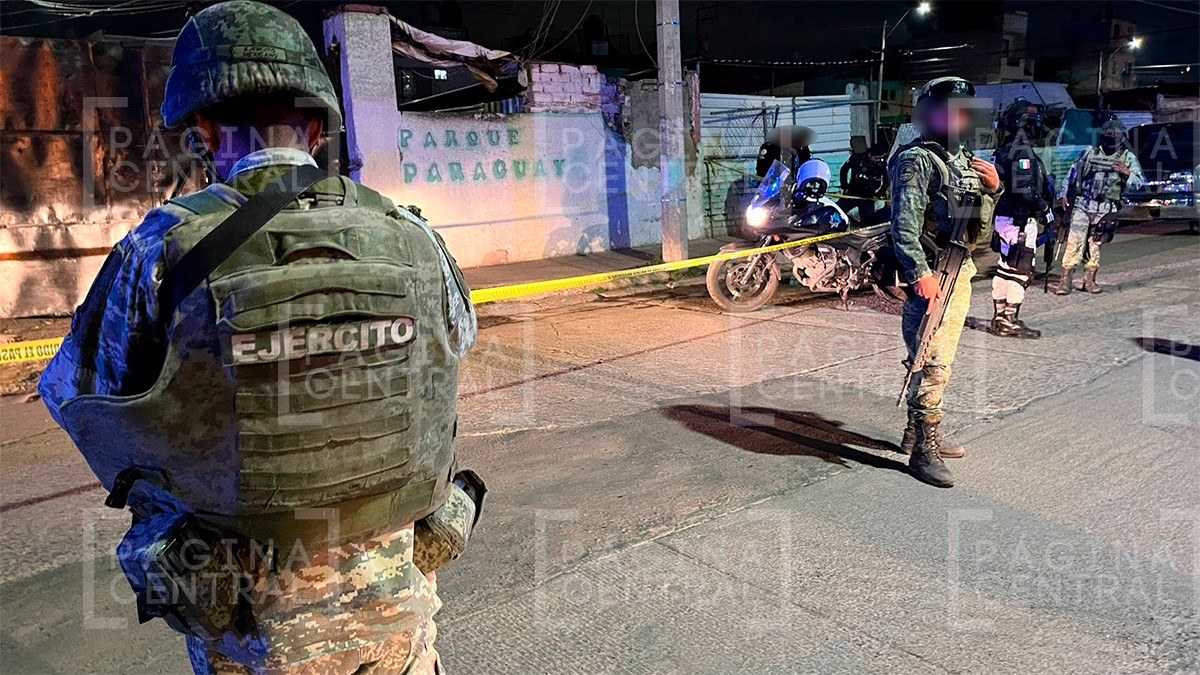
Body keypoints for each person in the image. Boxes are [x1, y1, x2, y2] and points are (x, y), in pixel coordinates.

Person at [37, 2, 478, 673]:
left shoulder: (161, 249)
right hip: (399, 622)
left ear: (205, 129)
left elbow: (73, 396)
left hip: (256, 635)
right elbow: (452, 352)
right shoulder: (415, 234)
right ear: (314, 123)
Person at [889, 77, 1002, 488]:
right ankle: (924, 451)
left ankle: (913, 434)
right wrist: (920, 275)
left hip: (960, 268)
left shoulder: (963, 158)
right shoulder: (916, 160)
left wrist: (995, 188)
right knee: (933, 361)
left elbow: (974, 220)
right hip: (935, 275)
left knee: (937, 356)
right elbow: (903, 226)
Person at [1054, 118, 1144, 294]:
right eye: (1110, 134)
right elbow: (1073, 174)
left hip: (1106, 208)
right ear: (1104, 135)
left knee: (1095, 245)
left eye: (1116, 135)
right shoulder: (1089, 153)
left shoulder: (1127, 157)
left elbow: (1138, 182)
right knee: (1074, 242)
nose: (1113, 138)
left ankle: (1090, 280)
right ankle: (1065, 280)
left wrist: (1127, 173)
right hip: (1084, 204)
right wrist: (1064, 194)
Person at [988, 98, 1055, 338]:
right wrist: (1045, 209)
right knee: (1021, 271)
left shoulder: (1006, 147)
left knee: (1006, 268)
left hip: (1005, 218)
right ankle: (1009, 321)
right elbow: (1024, 189)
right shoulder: (1022, 150)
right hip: (1019, 219)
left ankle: (999, 318)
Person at [838, 142, 889, 221]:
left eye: (880, 158)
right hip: (852, 193)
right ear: (869, 155)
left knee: (868, 220)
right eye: (876, 158)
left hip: (868, 197)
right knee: (837, 211)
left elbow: (886, 181)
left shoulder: (882, 164)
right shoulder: (857, 159)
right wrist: (845, 186)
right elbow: (843, 170)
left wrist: (878, 194)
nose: (878, 160)